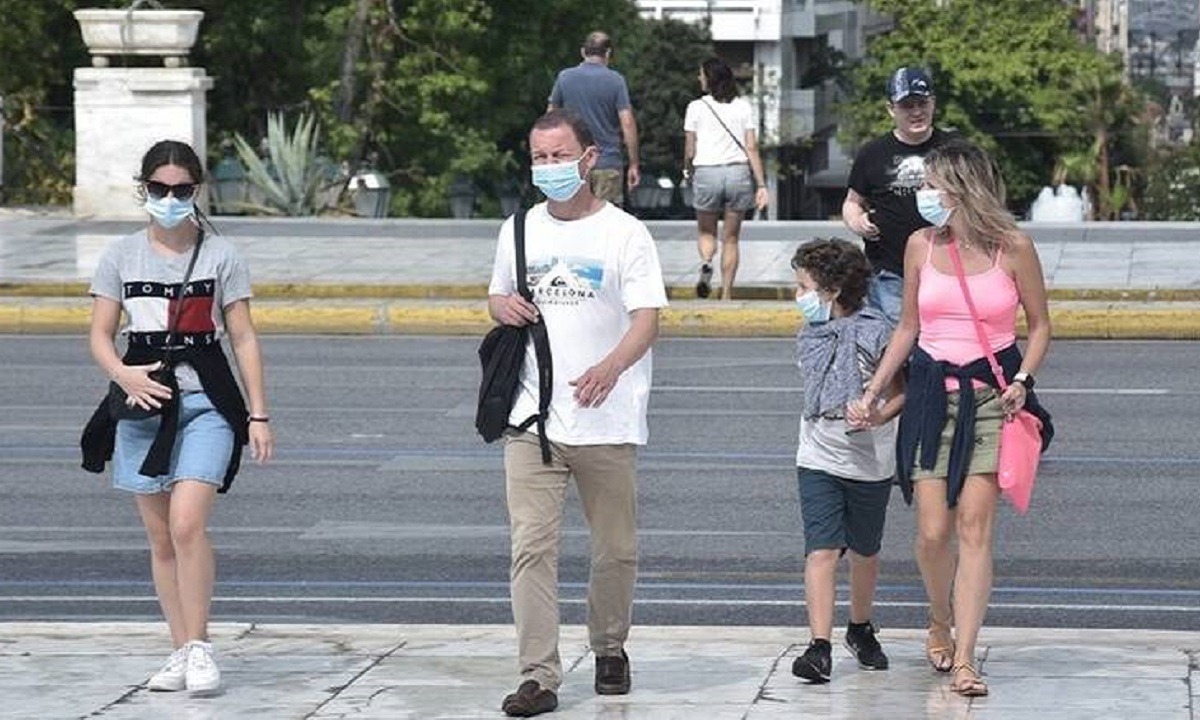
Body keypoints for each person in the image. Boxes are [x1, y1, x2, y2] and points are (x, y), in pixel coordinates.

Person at [848, 140, 1053, 697]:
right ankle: (939, 618)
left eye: (932, 185)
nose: (924, 194)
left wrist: (1022, 380)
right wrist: (873, 390)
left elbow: (1039, 327)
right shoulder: (920, 245)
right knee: (932, 533)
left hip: (991, 400)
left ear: (961, 189)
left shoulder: (1014, 247)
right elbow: (908, 327)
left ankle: (965, 656)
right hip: (930, 398)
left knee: (975, 530)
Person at [487, 109, 667, 717]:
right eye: (539, 157)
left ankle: (609, 646)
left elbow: (647, 319)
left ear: (589, 158)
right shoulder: (518, 229)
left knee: (615, 548)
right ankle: (538, 675)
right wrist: (501, 307)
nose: (549, 167)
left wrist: (610, 368)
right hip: (531, 418)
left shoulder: (624, 234)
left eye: (560, 156)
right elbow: (497, 294)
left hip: (605, 419)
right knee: (530, 549)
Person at [80, 140, 273, 697]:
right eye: (159, 189)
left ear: (196, 190)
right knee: (160, 536)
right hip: (143, 401)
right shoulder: (120, 255)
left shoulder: (221, 255)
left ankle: (201, 645)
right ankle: (180, 648)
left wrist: (258, 414)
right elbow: (99, 334)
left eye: (181, 189)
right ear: (144, 189)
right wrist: (124, 374)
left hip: (207, 398)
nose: (169, 199)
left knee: (188, 523)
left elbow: (242, 336)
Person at [788, 238, 905, 684]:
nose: (797, 295)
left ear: (832, 291)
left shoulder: (877, 333)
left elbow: (901, 393)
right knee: (821, 549)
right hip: (817, 453)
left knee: (864, 550)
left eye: (804, 287)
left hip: (869, 459)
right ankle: (818, 646)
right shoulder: (811, 333)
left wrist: (876, 416)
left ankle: (859, 627)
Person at [842, 65, 953, 324]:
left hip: (947, 265)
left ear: (933, 103)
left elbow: (979, 196)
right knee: (898, 335)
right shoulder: (872, 153)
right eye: (907, 106)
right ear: (891, 109)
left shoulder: (954, 148)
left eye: (922, 103)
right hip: (890, 269)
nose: (916, 112)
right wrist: (857, 222)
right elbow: (852, 202)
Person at [683, 56, 769, 301]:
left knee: (706, 233)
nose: (699, 78)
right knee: (731, 239)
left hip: (707, 173)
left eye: (701, 75)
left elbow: (690, 148)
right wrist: (761, 184)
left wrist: (687, 169)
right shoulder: (743, 107)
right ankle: (727, 293)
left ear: (709, 79)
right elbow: (751, 147)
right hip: (737, 173)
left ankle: (706, 262)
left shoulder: (695, 107)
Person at [548, 30, 640, 206]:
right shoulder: (616, 81)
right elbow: (627, 123)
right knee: (606, 219)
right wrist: (634, 163)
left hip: (572, 164)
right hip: (607, 163)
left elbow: (551, 118)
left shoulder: (565, 77)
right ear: (608, 53)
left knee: (572, 215)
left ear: (583, 52)